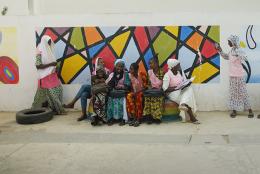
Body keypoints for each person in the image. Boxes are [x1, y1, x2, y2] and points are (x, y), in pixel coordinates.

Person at [215, 35, 254, 118]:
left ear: (233, 42)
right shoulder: (231, 50)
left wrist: (239, 54)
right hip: (232, 75)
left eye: (229, 41)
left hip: (239, 76)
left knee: (243, 93)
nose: (228, 43)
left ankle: (250, 110)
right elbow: (226, 57)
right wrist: (219, 49)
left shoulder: (239, 50)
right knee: (233, 93)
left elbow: (245, 58)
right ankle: (234, 111)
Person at [63, 57, 109, 121]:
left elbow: (107, 82)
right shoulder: (94, 72)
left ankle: (72, 103)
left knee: (84, 88)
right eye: (100, 62)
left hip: (101, 91)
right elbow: (92, 84)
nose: (102, 63)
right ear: (97, 63)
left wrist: (100, 80)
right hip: (94, 90)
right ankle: (83, 114)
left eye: (103, 62)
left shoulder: (106, 70)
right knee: (84, 94)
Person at [32, 35, 65, 115]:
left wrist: (55, 67)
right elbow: (38, 65)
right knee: (52, 94)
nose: (50, 44)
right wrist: (51, 64)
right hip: (44, 77)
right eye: (48, 43)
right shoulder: (40, 52)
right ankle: (58, 110)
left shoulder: (49, 51)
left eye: (50, 43)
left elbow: (53, 63)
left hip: (52, 76)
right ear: (44, 43)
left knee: (59, 90)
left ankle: (54, 109)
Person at [162, 59, 200, 124]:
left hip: (180, 90)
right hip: (172, 93)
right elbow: (165, 89)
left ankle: (182, 104)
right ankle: (192, 118)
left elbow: (184, 82)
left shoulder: (180, 73)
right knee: (187, 98)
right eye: (178, 65)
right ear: (173, 66)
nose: (179, 67)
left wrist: (187, 83)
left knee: (189, 89)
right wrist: (176, 88)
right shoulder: (167, 75)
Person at [106, 59, 131, 126]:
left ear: (123, 67)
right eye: (118, 66)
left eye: (121, 66)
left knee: (122, 100)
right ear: (115, 66)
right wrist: (113, 87)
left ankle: (122, 119)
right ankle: (111, 118)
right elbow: (109, 84)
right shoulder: (112, 74)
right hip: (114, 92)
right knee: (110, 98)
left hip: (122, 92)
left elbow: (128, 85)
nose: (119, 68)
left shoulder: (126, 74)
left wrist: (121, 87)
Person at [142, 56, 165, 124]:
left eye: (151, 63)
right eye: (149, 64)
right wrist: (149, 87)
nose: (150, 65)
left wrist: (159, 88)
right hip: (151, 90)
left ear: (156, 63)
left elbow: (163, 83)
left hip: (159, 91)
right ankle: (149, 117)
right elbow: (148, 83)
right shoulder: (149, 72)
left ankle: (157, 118)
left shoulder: (162, 72)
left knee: (156, 98)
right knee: (148, 97)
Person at [126, 63, 147, 127]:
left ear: (136, 69)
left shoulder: (142, 74)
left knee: (138, 96)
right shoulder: (129, 76)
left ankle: (138, 118)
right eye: (130, 68)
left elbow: (145, 87)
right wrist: (133, 92)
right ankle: (133, 117)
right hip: (134, 92)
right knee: (129, 96)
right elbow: (130, 87)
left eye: (131, 69)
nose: (130, 70)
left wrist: (138, 92)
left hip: (142, 92)